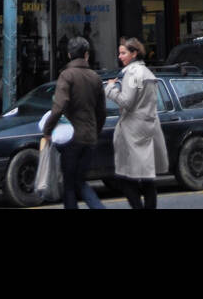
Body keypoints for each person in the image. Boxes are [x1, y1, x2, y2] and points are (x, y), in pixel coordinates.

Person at [41, 34, 107, 210]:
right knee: (80, 181)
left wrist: (47, 130)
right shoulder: (96, 78)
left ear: (69, 55)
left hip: (71, 139)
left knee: (70, 185)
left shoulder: (67, 75)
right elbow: (102, 112)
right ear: (87, 55)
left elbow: (59, 106)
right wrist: (95, 131)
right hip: (90, 138)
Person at [105, 37, 168, 209]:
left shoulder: (132, 73)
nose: (120, 56)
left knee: (127, 178)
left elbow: (126, 101)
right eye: (119, 53)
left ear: (134, 53)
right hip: (148, 127)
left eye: (123, 53)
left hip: (132, 130)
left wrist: (111, 88)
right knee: (147, 179)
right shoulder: (147, 73)